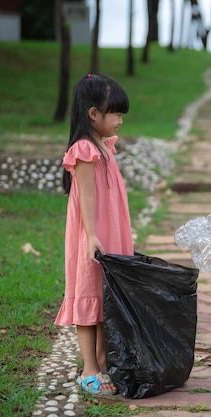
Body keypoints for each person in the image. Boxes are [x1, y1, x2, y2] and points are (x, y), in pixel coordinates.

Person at [54, 73, 133, 396]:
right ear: (93, 114)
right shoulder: (85, 149)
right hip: (93, 234)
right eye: (115, 113)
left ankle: (102, 360)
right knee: (89, 294)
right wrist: (90, 236)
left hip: (110, 232)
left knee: (105, 297)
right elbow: (85, 196)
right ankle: (89, 367)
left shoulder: (103, 146)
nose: (120, 120)